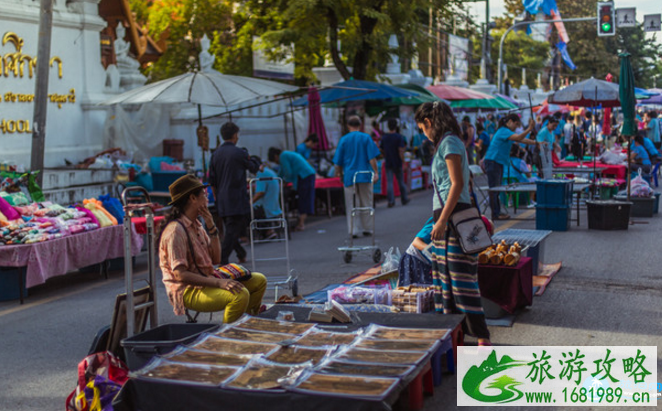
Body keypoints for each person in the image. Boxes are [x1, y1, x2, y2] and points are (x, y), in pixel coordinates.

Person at [414, 101, 491, 346]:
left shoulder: (448, 142)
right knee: (446, 280)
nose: (424, 134)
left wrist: (443, 220)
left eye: (422, 128)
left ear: (429, 123)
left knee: (460, 281)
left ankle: (482, 339)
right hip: (448, 218)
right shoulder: (449, 142)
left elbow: (456, 184)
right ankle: (454, 339)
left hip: (453, 219)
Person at [158, 174, 267, 324]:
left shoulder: (197, 224)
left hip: (207, 280)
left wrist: (211, 226)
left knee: (259, 280)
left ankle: (246, 324)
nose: (207, 197)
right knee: (239, 295)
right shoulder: (175, 231)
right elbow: (180, 275)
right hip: (188, 291)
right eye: (204, 194)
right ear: (193, 198)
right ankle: (226, 336)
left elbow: (216, 259)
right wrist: (219, 283)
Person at [209, 122, 261, 265]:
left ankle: (241, 253)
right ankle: (222, 258)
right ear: (235, 135)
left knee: (231, 229)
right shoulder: (240, 153)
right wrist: (255, 160)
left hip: (222, 199)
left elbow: (212, 181)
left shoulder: (215, 154)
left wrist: (217, 198)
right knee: (233, 230)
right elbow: (253, 168)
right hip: (236, 198)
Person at [483, 114, 539, 220]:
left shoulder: (506, 132)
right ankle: (495, 214)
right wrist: (529, 129)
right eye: (516, 124)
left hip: (497, 162)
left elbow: (521, 140)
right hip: (493, 161)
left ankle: (497, 212)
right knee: (494, 189)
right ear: (509, 121)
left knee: (497, 189)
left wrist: (536, 142)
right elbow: (519, 137)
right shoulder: (504, 130)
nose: (516, 127)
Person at [333, 115, 380, 238]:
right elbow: (372, 158)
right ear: (360, 125)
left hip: (349, 176)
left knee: (351, 204)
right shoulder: (366, 138)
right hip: (364, 175)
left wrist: (338, 173)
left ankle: (353, 229)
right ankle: (368, 228)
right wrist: (376, 172)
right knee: (367, 202)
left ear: (348, 126)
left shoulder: (343, 140)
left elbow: (337, 161)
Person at [268, 148, 316, 232]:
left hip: (304, 176)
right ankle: (301, 222)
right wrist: (277, 179)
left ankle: (301, 223)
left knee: (303, 199)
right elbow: (282, 172)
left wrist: (283, 181)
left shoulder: (283, 156)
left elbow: (288, 172)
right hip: (307, 175)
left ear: (276, 156)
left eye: (275, 161)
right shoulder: (286, 154)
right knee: (303, 198)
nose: (277, 163)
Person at [380, 118, 410, 208]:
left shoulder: (384, 138)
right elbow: (401, 150)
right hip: (397, 162)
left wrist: (385, 155)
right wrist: (404, 162)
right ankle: (404, 199)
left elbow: (381, 149)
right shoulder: (399, 137)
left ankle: (391, 201)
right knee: (400, 181)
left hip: (388, 161)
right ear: (396, 126)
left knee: (389, 182)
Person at [251, 160, 282, 240]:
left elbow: (260, 192)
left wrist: (250, 202)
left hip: (266, 207)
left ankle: (268, 231)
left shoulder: (261, 173)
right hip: (274, 205)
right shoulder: (268, 171)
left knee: (245, 211)